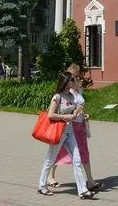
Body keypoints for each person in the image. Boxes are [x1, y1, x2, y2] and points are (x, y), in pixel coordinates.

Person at [38, 70, 95, 198]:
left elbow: (74, 110)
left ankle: (83, 190)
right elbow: (51, 115)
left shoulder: (71, 96)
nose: (73, 82)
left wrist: (80, 113)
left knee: (77, 159)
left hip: (71, 133)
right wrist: (66, 117)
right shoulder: (57, 97)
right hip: (59, 133)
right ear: (65, 82)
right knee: (50, 159)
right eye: (71, 80)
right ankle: (42, 186)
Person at [47, 64, 101, 192]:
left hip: (80, 125)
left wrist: (84, 114)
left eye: (78, 76)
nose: (77, 79)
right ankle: (50, 176)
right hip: (68, 126)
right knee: (60, 151)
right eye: (74, 77)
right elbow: (64, 108)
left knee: (84, 153)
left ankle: (90, 180)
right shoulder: (67, 92)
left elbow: (80, 107)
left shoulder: (79, 90)